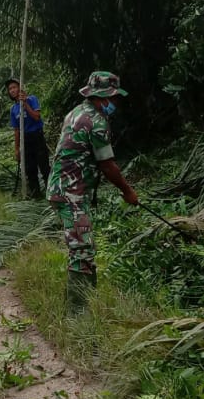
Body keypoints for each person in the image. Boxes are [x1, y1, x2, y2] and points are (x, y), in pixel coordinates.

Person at [48, 71, 139, 313]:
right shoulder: (96, 122)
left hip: (64, 188)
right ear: (104, 97)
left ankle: (87, 299)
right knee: (81, 249)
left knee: (83, 245)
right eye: (114, 98)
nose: (116, 104)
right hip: (71, 192)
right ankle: (78, 315)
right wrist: (128, 192)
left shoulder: (77, 112)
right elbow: (107, 164)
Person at [7, 78, 51, 198]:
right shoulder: (13, 109)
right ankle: (36, 195)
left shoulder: (32, 99)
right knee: (30, 170)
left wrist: (25, 103)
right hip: (25, 140)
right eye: (10, 89)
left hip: (37, 137)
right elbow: (16, 130)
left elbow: (37, 117)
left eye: (14, 87)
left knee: (44, 167)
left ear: (20, 88)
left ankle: (52, 194)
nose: (12, 90)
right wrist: (17, 149)